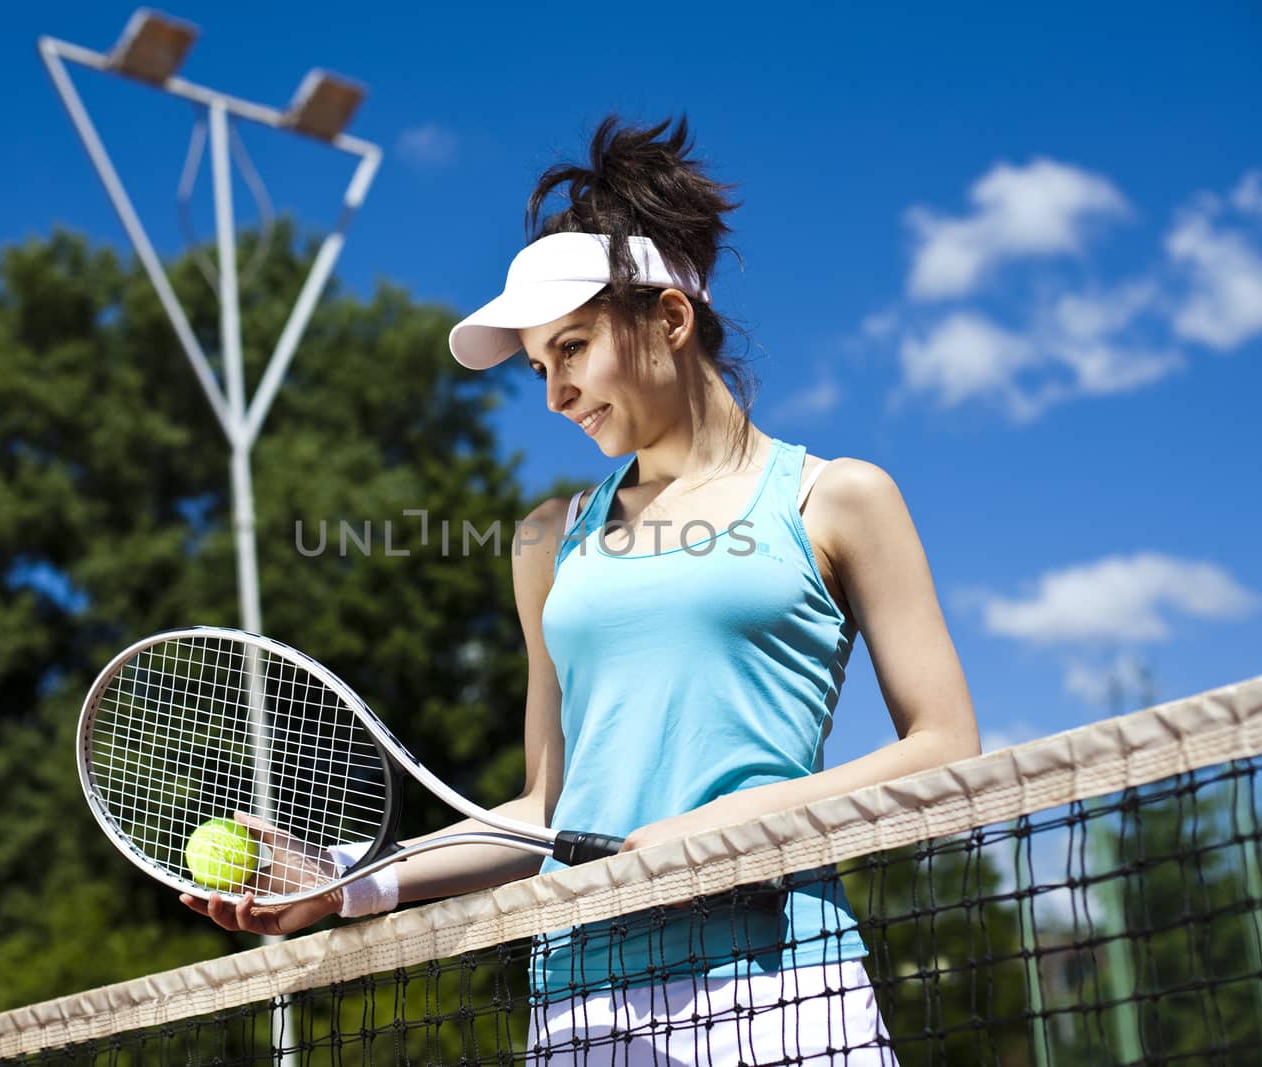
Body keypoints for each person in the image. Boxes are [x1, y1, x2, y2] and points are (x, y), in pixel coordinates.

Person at [183, 116, 980, 1065]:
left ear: (670, 320)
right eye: (537, 367)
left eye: (572, 348)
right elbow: (544, 814)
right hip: (582, 1007)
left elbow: (945, 748)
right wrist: (354, 880)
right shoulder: (545, 539)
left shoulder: (839, 497)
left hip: (784, 989)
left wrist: (724, 825)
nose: (554, 393)